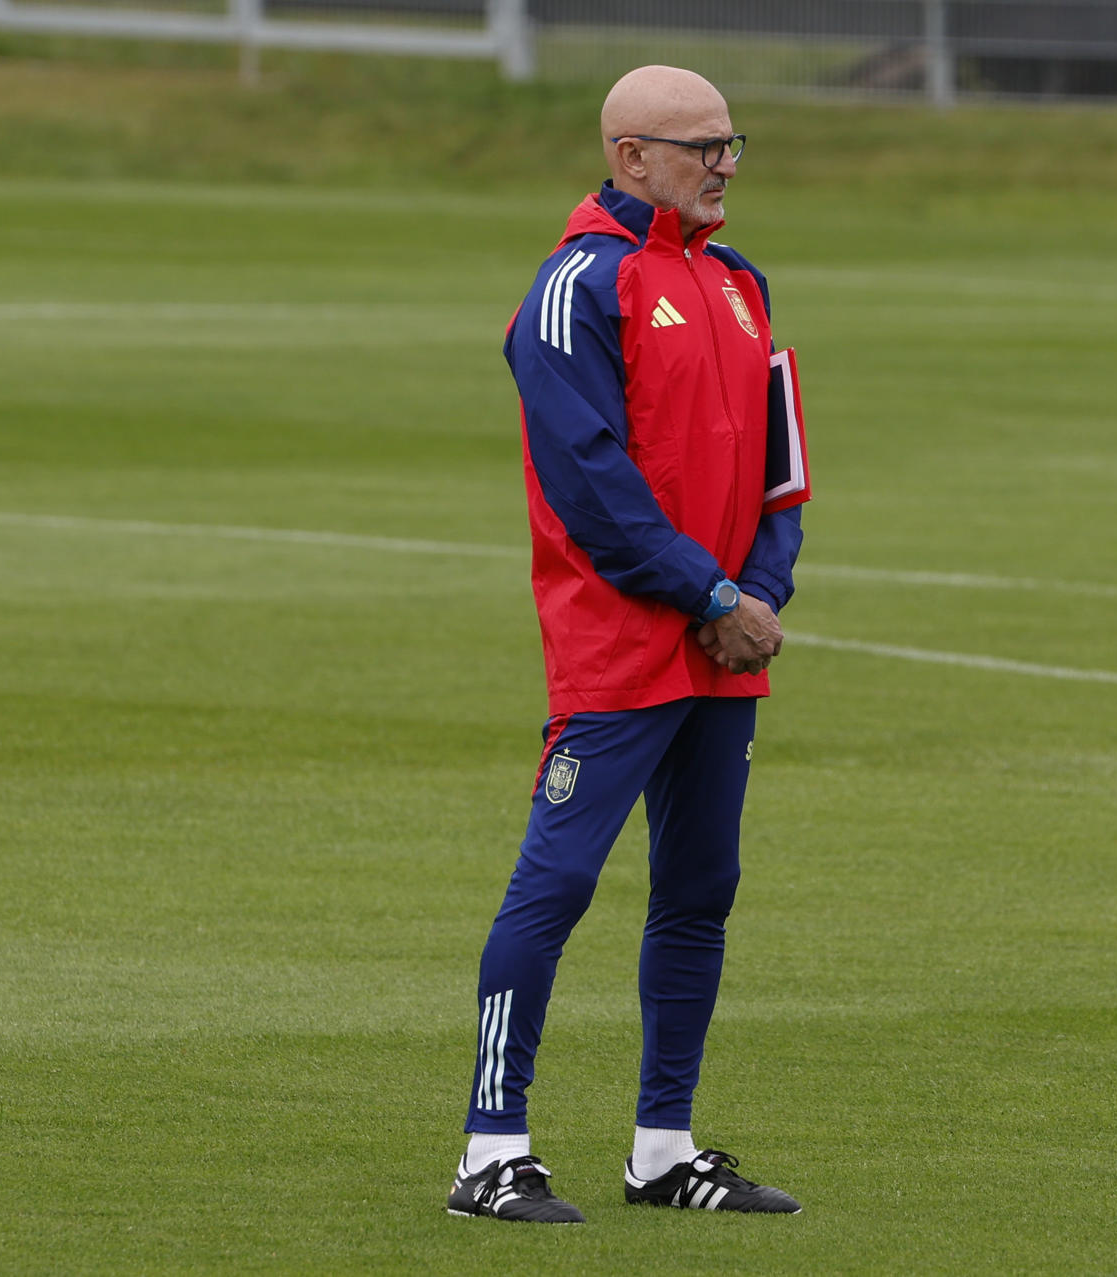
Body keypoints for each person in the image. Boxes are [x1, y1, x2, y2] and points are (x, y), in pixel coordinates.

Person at [444, 65, 807, 1225]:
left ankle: (664, 1146)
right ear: (629, 156)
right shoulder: (575, 287)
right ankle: (490, 1149)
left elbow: (782, 474)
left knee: (701, 889)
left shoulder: (741, 284)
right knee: (555, 885)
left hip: (722, 648)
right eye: (704, 146)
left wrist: (756, 598)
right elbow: (591, 483)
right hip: (619, 649)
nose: (726, 164)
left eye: (732, 143)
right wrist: (711, 594)